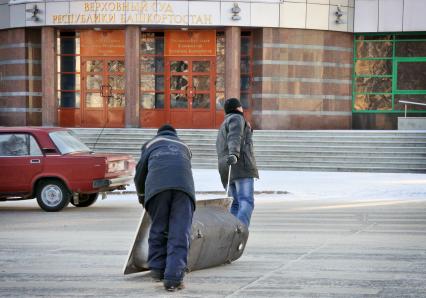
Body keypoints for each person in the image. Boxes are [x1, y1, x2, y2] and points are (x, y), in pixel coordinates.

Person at [134, 124, 195, 292]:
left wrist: (142, 196)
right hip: (184, 189)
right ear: (175, 135)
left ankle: (158, 270)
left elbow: (140, 173)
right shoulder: (184, 146)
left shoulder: (150, 144)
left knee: (158, 227)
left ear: (158, 133)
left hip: (157, 189)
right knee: (179, 231)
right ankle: (174, 278)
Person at [216, 98, 259, 227]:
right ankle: (239, 231)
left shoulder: (224, 124)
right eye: (241, 106)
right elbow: (234, 137)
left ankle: (231, 233)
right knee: (246, 201)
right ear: (238, 108)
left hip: (226, 169)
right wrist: (234, 154)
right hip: (240, 167)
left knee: (234, 204)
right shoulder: (236, 118)